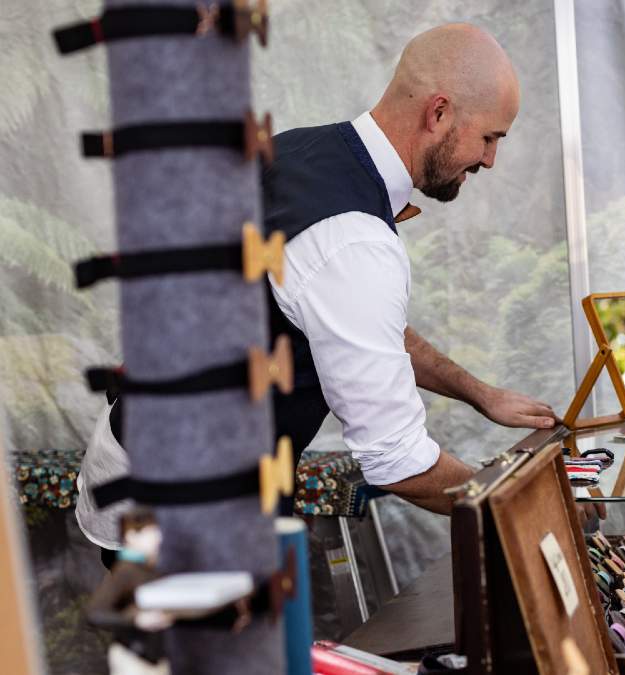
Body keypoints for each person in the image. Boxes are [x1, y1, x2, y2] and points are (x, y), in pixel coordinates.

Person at [77, 24, 557, 559]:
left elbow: (358, 326)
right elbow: (398, 461)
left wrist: (480, 394)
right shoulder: (351, 240)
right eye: (490, 138)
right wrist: (520, 506)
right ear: (438, 112)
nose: (489, 160)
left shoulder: (301, 150)